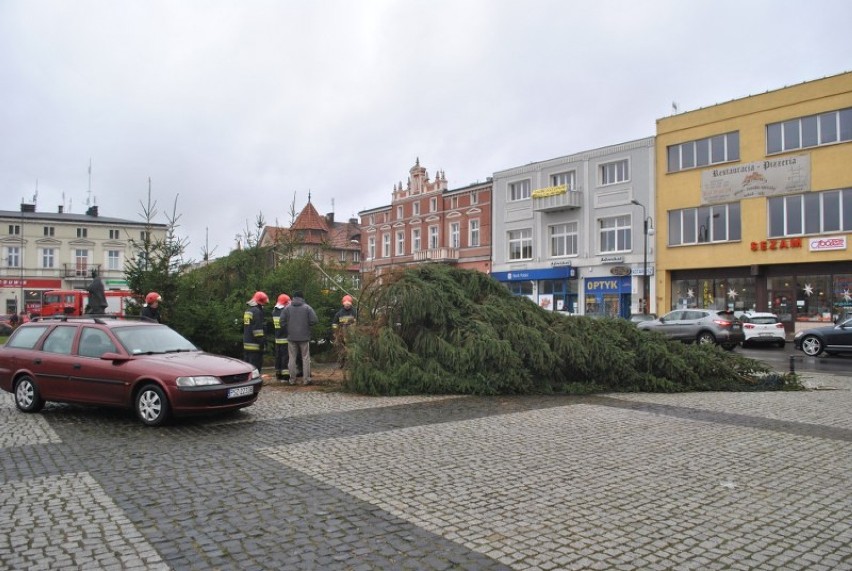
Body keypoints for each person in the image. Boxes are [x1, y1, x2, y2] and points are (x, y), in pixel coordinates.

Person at [281, 290, 317, 385]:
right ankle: (306, 380)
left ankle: (292, 380)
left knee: (292, 358)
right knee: (305, 358)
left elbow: (282, 321)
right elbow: (314, 320)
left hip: (291, 337)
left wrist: (288, 330)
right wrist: (306, 325)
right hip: (304, 337)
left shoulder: (287, 308)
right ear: (302, 297)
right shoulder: (307, 308)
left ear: (293, 297)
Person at [242, 291, 268, 371]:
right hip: (255, 346)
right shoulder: (257, 312)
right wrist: (262, 343)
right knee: (255, 369)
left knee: (248, 368)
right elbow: (257, 331)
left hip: (247, 344)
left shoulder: (248, 311)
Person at [332, 294, 357, 367]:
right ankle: (342, 363)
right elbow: (334, 323)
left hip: (351, 334)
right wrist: (335, 332)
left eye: (348, 304)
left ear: (350, 304)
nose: (347, 306)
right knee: (341, 349)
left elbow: (358, 322)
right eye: (346, 305)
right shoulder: (339, 313)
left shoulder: (354, 312)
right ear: (343, 304)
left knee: (351, 349)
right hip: (341, 334)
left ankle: (351, 363)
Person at [271, 293, 291, 382]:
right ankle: (285, 376)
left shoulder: (274, 311)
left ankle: (278, 374)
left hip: (277, 338)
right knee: (285, 357)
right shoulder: (284, 311)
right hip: (285, 338)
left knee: (278, 356)